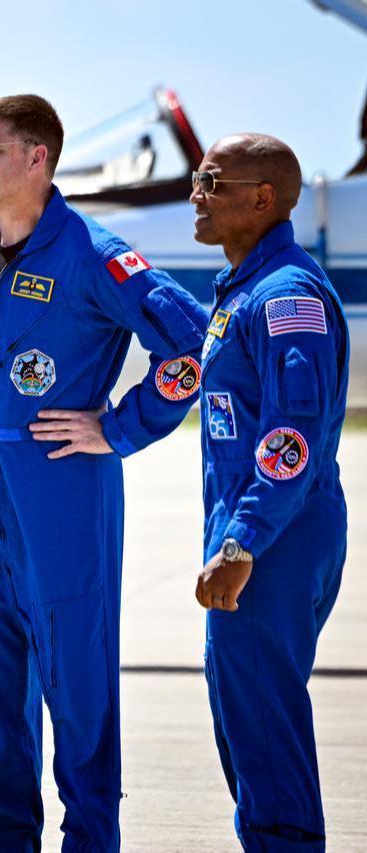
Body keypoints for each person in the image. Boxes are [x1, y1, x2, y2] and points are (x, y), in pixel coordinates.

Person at [0, 95, 209, 850]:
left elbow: (191, 346)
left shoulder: (94, 253)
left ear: (37, 158)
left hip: (63, 499)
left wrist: (117, 427)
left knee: (79, 691)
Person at [191, 134, 348, 850]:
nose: (196, 195)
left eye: (212, 182)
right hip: (259, 528)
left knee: (261, 717)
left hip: (273, 536)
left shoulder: (285, 295)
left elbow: (293, 434)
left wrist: (243, 539)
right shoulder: (247, 287)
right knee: (247, 714)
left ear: (261, 198)